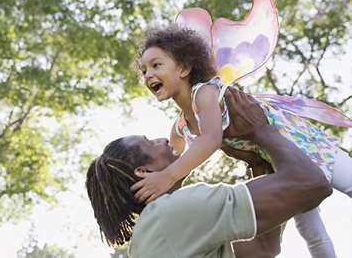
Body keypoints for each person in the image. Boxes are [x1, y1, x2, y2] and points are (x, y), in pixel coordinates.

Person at [131, 25, 352, 257]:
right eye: (144, 70)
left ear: (184, 68)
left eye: (156, 65)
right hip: (275, 161)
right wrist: (160, 186)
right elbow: (176, 166)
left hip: (295, 139)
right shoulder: (180, 127)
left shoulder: (204, 93)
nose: (148, 74)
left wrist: (167, 177)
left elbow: (211, 139)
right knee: (311, 230)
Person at [86, 87, 332, 258]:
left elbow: (262, 249)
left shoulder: (160, 230)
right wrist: (261, 131)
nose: (162, 139)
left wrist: (258, 163)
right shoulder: (170, 211)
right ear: (144, 171)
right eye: (150, 142)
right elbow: (312, 184)